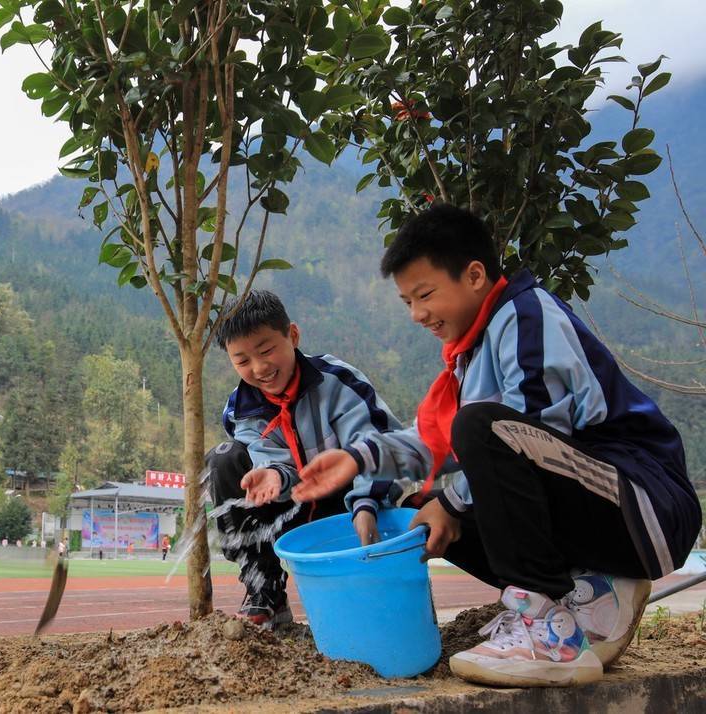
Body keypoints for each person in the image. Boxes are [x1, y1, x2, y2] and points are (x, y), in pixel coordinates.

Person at [294, 204, 701, 687]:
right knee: (417, 508)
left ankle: (548, 632)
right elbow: (433, 440)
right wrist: (358, 458)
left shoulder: (526, 317)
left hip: (645, 504)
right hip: (597, 511)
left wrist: (455, 501)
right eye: (407, 302)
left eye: (425, 295)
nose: (418, 314)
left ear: (474, 275)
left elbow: (528, 430)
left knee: (477, 436)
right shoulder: (472, 352)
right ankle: (589, 594)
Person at [208, 290, 405, 629]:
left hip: (347, 507)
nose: (259, 368)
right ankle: (264, 590)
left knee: (363, 618)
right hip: (289, 506)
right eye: (242, 361)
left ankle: (374, 587)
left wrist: (367, 503)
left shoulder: (338, 383)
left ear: (293, 336)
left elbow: (377, 444)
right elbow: (267, 456)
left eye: (267, 350)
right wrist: (272, 475)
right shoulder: (242, 409)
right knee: (224, 459)